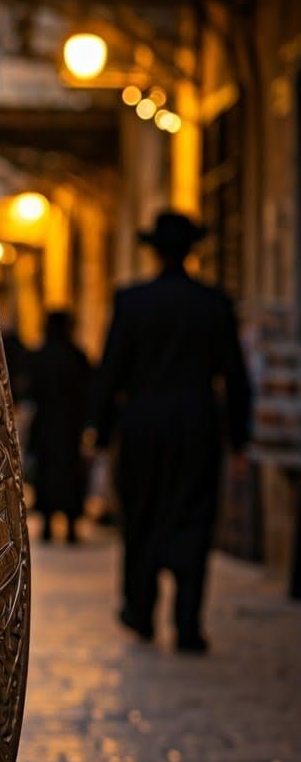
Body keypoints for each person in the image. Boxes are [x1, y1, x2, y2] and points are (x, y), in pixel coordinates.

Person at [93, 211, 251, 653]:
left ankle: (140, 610)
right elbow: (235, 377)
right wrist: (239, 439)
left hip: (142, 424)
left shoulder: (132, 301)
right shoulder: (214, 304)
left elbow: (111, 372)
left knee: (142, 515)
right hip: (198, 425)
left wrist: (101, 434)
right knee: (194, 517)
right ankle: (187, 623)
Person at [27, 310, 91, 543]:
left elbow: (31, 391)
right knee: (71, 474)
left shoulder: (40, 357)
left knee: (46, 474)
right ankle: (72, 526)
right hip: (70, 426)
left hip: (45, 425)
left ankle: (47, 524)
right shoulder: (76, 357)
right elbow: (88, 392)